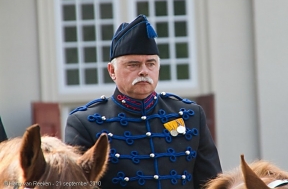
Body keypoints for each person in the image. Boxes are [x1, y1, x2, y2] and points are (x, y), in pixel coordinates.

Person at [65, 14, 222, 189]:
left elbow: (212, 183)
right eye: (133, 64)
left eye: (151, 63)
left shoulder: (190, 115)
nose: (144, 71)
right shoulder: (84, 123)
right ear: (112, 71)